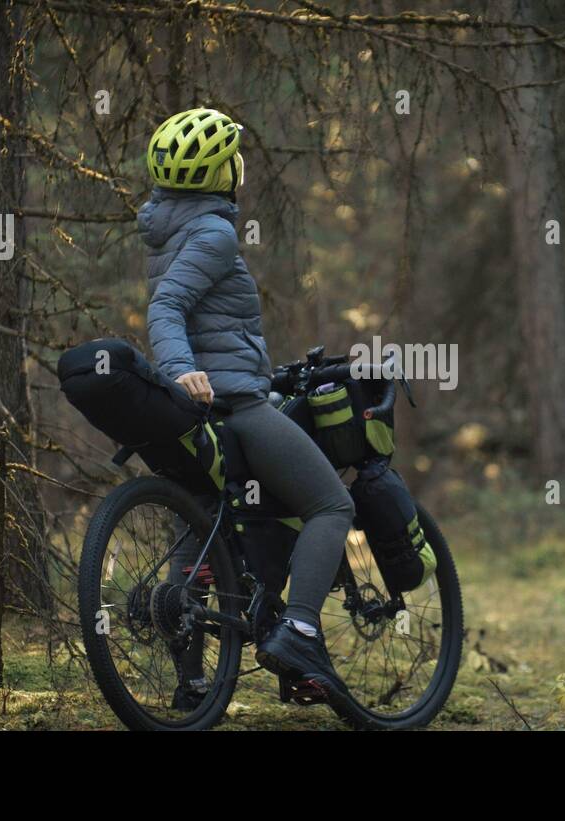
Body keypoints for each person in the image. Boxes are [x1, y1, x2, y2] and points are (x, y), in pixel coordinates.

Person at [139, 108, 355, 708]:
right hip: (233, 405)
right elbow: (168, 311)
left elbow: (197, 314)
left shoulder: (166, 231)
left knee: (202, 531)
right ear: (223, 172)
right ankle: (303, 634)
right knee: (332, 504)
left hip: (202, 412)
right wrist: (186, 371)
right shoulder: (214, 233)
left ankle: (192, 687)